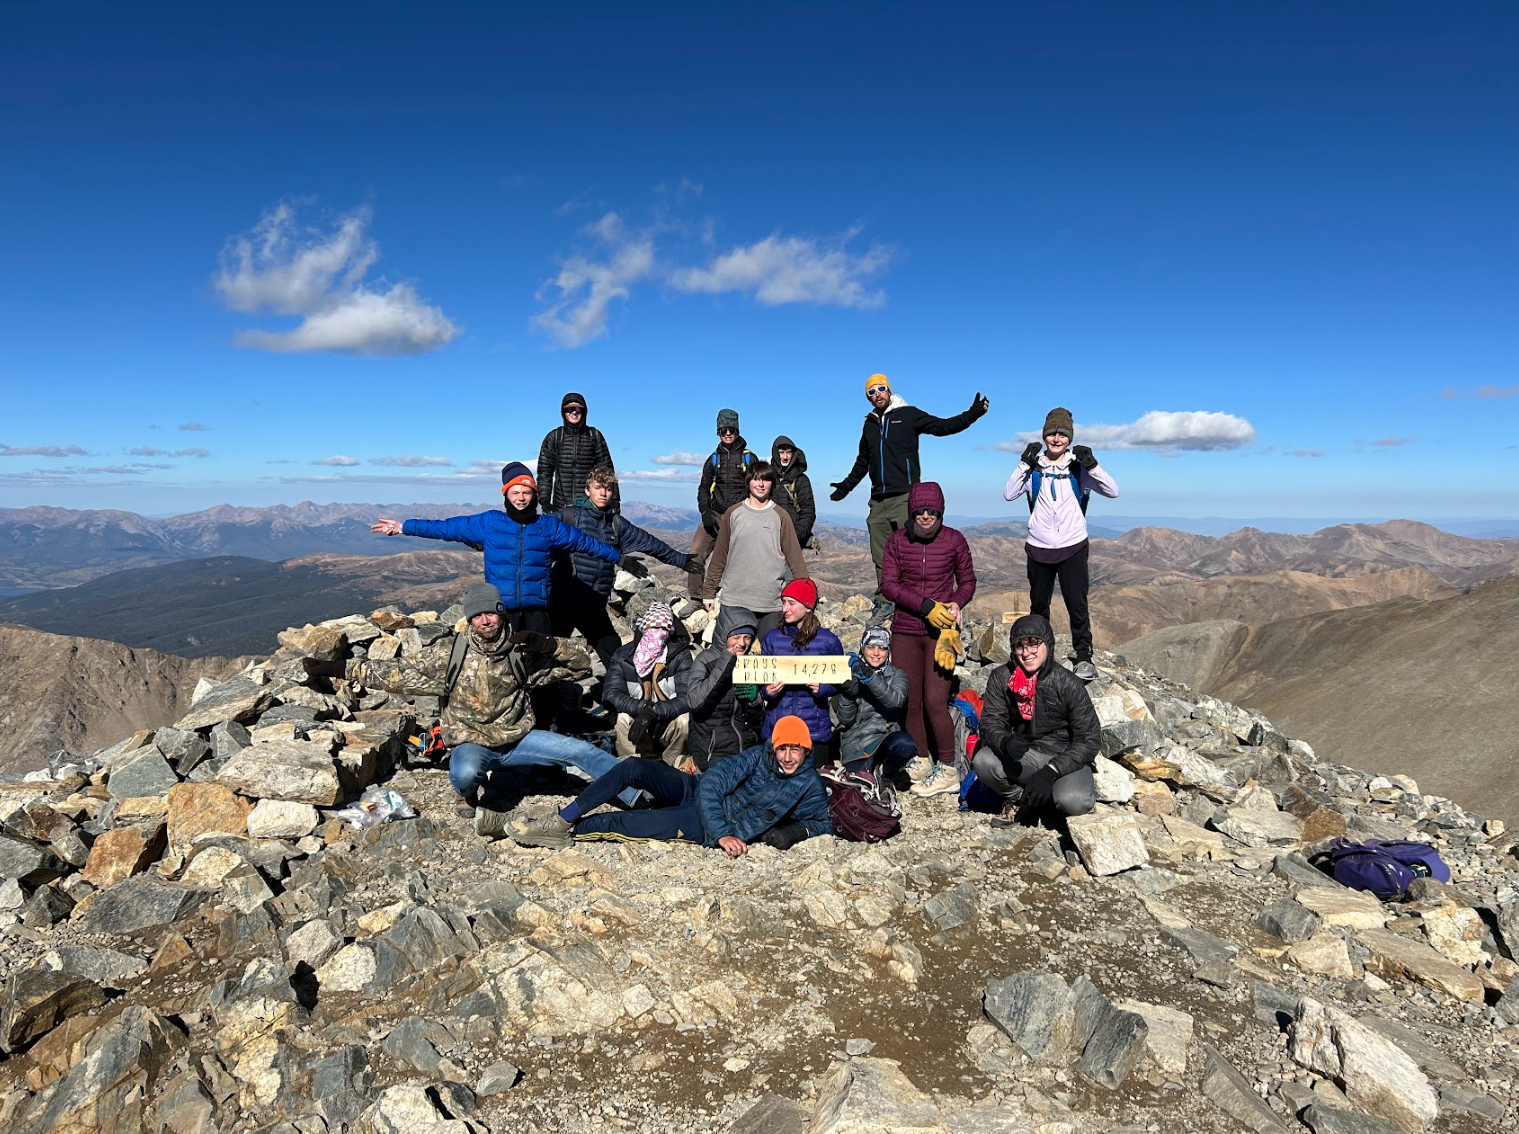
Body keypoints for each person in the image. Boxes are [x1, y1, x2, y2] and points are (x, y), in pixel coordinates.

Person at [347, 581, 639, 822]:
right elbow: (400, 673)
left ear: (502, 613)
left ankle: (637, 795)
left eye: (491, 613)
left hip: (519, 739)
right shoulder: (451, 652)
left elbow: (580, 664)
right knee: (463, 774)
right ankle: (468, 792)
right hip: (470, 741)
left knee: (582, 751)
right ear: (469, 618)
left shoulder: (521, 650)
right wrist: (342, 669)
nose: (485, 621)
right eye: (477, 615)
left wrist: (547, 643)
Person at [506, 715, 833, 853]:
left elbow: (823, 822)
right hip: (699, 796)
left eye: (797, 750)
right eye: (783, 748)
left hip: (699, 826)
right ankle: (562, 818)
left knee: (623, 823)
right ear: (774, 747)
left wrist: (791, 832)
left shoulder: (808, 784)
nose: (789, 757)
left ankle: (562, 833)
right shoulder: (757, 757)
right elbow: (712, 784)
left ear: (806, 750)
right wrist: (724, 833)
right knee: (634, 766)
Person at [371, 462, 621, 634]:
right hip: (501, 610)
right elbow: (445, 528)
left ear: (533, 495)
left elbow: (586, 543)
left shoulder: (548, 526)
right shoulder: (489, 522)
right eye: (515, 492)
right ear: (506, 494)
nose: (521, 498)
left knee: (539, 673)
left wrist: (619, 557)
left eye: (526, 492)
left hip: (537, 612)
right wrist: (404, 526)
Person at [828, 374, 990, 590]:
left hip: (905, 497)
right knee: (881, 555)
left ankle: (913, 597)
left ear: (889, 390)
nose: (877, 394)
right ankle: (887, 597)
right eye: (871, 392)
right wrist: (845, 487)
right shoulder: (869, 425)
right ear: (868, 397)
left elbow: (942, 426)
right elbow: (863, 461)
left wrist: (972, 414)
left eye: (881, 389)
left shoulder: (908, 415)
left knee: (910, 550)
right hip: (877, 501)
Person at [1003, 407, 1119, 682]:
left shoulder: (1078, 467)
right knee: (1039, 605)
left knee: (1076, 603)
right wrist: (1023, 463)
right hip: (1039, 546)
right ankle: (1039, 655)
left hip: (1073, 546)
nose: (1056, 438)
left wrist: (1092, 464)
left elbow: (1113, 491)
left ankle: (1083, 656)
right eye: (1052, 433)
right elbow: (1008, 494)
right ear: (1044, 436)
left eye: (1062, 434)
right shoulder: (1034, 467)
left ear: (1069, 437)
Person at [880, 481, 976, 799]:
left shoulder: (954, 540)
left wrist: (956, 602)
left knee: (935, 702)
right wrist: (925, 606)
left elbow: (968, 581)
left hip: (941, 632)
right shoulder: (897, 540)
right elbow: (889, 585)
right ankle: (920, 760)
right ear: (911, 511)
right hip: (905, 630)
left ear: (940, 511)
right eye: (920, 510)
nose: (925, 516)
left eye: (932, 511)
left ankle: (947, 768)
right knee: (910, 701)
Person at [550, 466, 692, 666]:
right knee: (548, 654)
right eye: (598, 487)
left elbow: (651, 543)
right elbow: (536, 534)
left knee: (615, 654)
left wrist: (681, 560)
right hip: (563, 602)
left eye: (608, 488)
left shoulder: (615, 523)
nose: (603, 492)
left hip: (593, 604)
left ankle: (615, 695)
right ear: (587, 490)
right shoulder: (569, 517)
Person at [973, 613, 1099, 821]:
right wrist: (1005, 741)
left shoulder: (1068, 683)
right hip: (1026, 755)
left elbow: (1089, 739)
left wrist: (1051, 771)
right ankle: (1022, 800)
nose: (1026, 652)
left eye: (1033, 644)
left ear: (1047, 644)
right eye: (1020, 646)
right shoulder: (1001, 677)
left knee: (1076, 801)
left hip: (1063, 758)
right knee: (983, 761)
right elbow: (990, 722)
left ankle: (1048, 798)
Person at [699, 460, 809, 640]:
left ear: (772, 483)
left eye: (766, 480)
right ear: (748, 482)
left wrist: (806, 596)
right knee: (729, 657)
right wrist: (709, 592)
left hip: (770, 603)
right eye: (756, 479)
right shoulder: (733, 514)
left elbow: (794, 557)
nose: (760, 484)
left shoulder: (780, 516)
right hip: (735, 600)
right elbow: (720, 555)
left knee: (774, 655)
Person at [759, 578, 843, 764]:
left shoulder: (828, 641)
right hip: (777, 727)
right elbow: (760, 681)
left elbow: (840, 683)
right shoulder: (772, 638)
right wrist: (767, 692)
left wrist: (823, 689)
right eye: (783, 602)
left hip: (814, 729)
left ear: (808, 606)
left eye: (791, 603)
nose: (784, 609)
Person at [602, 602, 694, 766]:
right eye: (652, 628)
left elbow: (687, 697)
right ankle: (633, 767)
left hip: (667, 719)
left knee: (685, 720)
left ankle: (673, 765)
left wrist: (655, 712)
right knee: (621, 719)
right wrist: (642, 709)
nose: (656, 634)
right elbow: (611, 694)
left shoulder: (681, 656)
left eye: (663, 629)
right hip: (636, 718)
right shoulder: (623, 656)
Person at [686, 607, 766, 772]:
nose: (742, 643)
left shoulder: (749, 663)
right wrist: (726, 662)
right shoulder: (705, 660)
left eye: (747, 637)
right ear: (723, 636)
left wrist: (755, 700)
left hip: (746, 749)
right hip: (713, 751)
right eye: (736, 637)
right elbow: (696, 704)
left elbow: (756, 722)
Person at [833, 625, 918, 775]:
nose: (876, 653)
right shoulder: (850, 673)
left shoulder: (898, 675)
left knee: (906, 744)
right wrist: (848, 695)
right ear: (862, 648)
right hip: (856, 744)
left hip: (884, 739)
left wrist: (870, 677)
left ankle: (886, 776)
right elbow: (846, 720)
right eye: (871, 647)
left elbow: (895, 701)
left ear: (888, 651)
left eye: (882, 648)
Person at [688, 408, 756, 586]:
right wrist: (705, 511)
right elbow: (703, 487)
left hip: (740, 516)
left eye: (731, 430)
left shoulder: (749, 459)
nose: (727, 433)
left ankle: (736, 598)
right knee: (695, 553)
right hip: (715, 514)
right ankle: (696, 597)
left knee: (736, 561)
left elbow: (759, 488)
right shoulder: (713, 460)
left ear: (737, 431)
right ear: (718, 433)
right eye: (723, 430)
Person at [537, 392, 617, 512]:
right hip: (561, 506)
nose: (574, 412)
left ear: (584, 412)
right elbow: (544, 472)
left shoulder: (594, 435)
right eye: (569, 409)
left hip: (590, 507)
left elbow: (607, 471)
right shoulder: (554, 437)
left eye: (578, 409)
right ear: (563, 412)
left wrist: (615, 500)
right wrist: (545, 501)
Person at [770, 435, 816, 549]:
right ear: (776, 453)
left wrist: (795, 536)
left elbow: (808, 512)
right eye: (781, 452)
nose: (785, 457)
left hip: (792, 540)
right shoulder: (768, 476)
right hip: (768, 539)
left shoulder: (801, 480)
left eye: (788, 452)